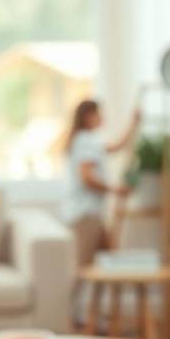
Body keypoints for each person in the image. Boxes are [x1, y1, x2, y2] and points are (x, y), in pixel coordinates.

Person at [61, 99, 141, 267]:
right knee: (84, 266)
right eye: (99, 113)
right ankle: (69, 295)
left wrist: (133, 124)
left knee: (110, 260)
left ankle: (107, 293)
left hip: (89, 214)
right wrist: (114, 189)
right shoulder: (85, 140)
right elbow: (87, 178)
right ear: (88, 117)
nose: (102, 117)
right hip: (85, 215)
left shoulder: (87, 141)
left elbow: (117, 147)